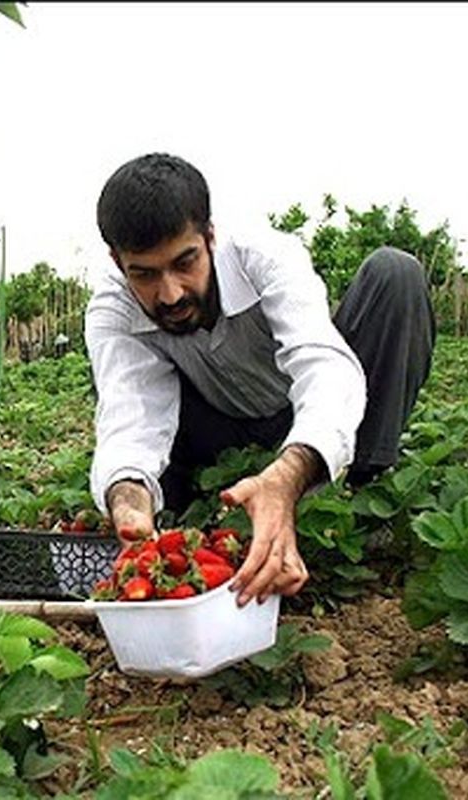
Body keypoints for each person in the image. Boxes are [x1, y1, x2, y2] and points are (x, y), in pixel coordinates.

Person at [86, 153, 435, 607]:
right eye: (145, 274)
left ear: (210, 236)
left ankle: (364, 493)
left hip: (293, 410)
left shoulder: (266, 255)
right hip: (212, 429)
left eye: (185, 262)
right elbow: (130, 416)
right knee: (128, 433)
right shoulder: (113, 310)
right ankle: (191, 513)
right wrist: (128, 500)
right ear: (117, 261)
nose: (169, 293)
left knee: (396, 274)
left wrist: (287, 475)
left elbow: (320, 364)